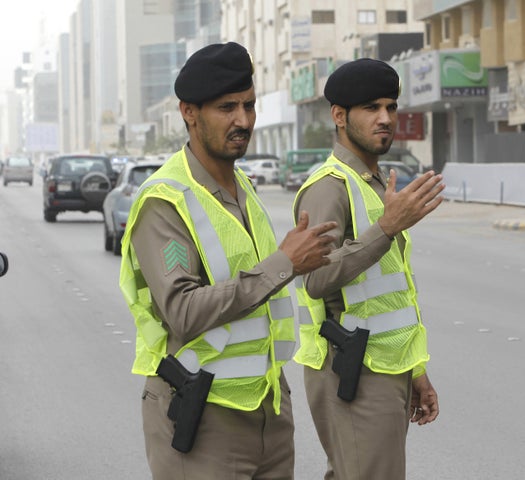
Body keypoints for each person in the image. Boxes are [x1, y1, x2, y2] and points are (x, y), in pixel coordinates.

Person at [118, 42, 337, 480]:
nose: (244, 120)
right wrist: (283, 265)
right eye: (227, 107)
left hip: (267, 411)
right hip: (202, 418)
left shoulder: (244, 187)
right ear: (189, 112)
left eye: (249, 106)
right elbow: (183, 310)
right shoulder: (166, 202)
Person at [292, 58, 444, 480]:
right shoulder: (329, 187)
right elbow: (315, 278)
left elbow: (389, 297)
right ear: (339, 116)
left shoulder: (374, 184)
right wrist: (387, 228)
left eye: (391, 107)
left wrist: (415, 371)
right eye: (371, 108)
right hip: (352, 370)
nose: (386, 118)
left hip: (386, 368)